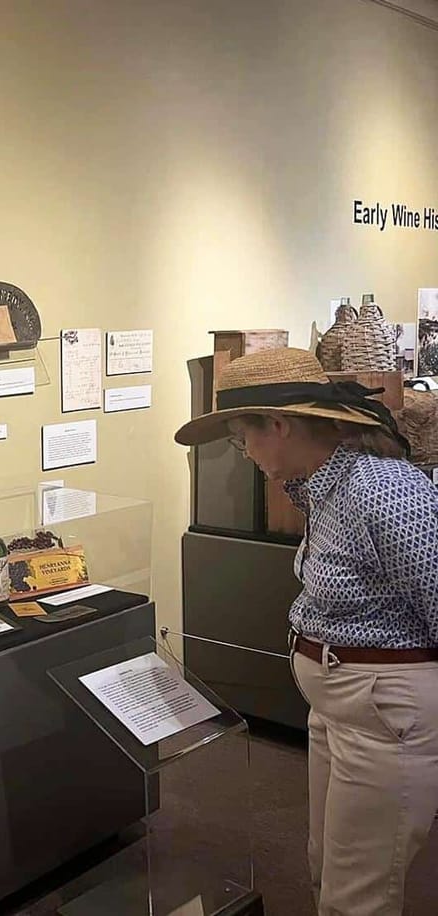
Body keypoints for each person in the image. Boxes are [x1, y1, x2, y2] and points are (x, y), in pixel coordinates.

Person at [175, 347, 438, 916]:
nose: (243, 453)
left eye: (244, 436)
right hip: (342, 707)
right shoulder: (322, 488)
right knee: (328, 867)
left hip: (384, 712)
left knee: (358, 893)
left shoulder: (385, 491)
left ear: (279, 424)